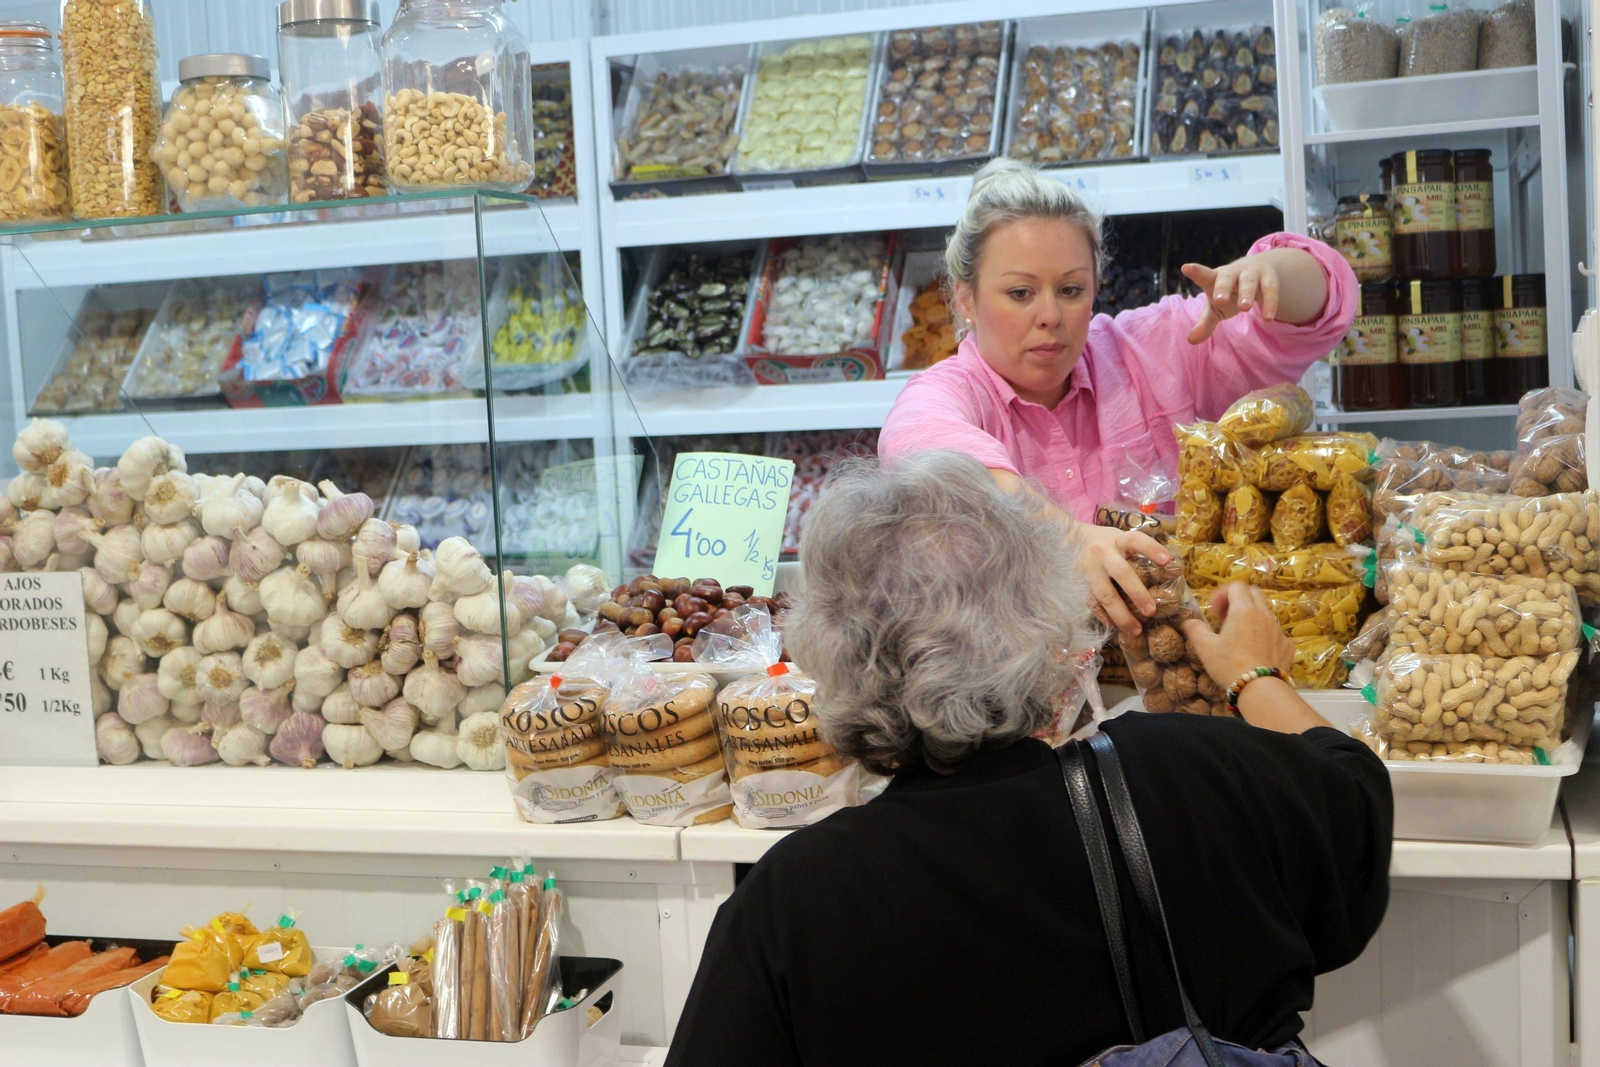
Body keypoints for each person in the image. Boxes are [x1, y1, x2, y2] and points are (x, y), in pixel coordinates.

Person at [664, 451, 1392, 1067]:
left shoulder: (792, 902)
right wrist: (1254, 678)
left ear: (832, 652)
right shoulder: (1187, 773)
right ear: (1049, 631)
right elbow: (1356, 803)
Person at [879, 159, 1358, 635]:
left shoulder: (1147, 350)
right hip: (1021, 693)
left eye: (1070, 289)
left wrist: (1269, 271)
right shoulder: (948, 392)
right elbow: (925, 454)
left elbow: (1320, 308)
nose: (1050, 315)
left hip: (1187, 677)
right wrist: (1067, 536)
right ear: (966, 299)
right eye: (1021, 293)